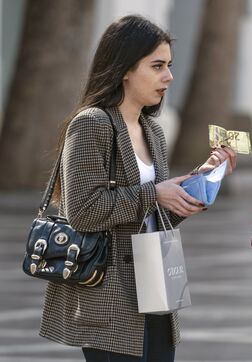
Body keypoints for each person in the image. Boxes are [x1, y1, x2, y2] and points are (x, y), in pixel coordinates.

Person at [39, 15, 237, 361]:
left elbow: (153, 218)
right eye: (157, 65)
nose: (169, 76)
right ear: (125, 68)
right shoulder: (91, 125)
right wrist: (155, 193)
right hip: (108, 296)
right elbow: (83, 212)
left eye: (170, 65)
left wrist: (198, 182)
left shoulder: (153, 132)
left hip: (156, 288)